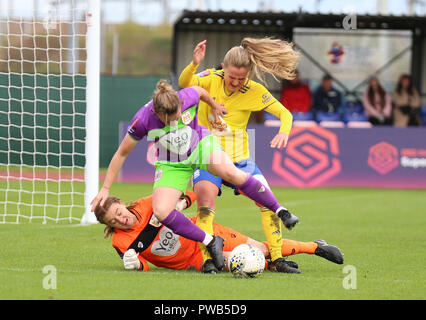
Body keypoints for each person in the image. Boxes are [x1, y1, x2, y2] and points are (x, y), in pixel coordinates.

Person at [91, 80, 298, 273]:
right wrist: (106, 188)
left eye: (179, 115)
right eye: (170, 119)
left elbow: (200, 92)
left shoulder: (186, 96)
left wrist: (214, 105)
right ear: (157, 112)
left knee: (231, 172)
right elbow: (121, 153)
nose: (177, 120)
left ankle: (281, 210)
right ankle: (210, 240)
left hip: (200, 145)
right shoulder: (143, 119)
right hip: (172, 163)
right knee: (162, 211)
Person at [178, 37, 301, 274]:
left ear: (248, 75)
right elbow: (185, 83)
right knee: (205, 205)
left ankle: (276, 259)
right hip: (207, 159)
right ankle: (208, 260)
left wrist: (284, 132)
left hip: (241, 161)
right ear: (223, 67)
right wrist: (194, 64)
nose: (235, 82)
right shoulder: (209, 79)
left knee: (268, 204)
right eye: (231, 77)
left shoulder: (254, 91)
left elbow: (285, 114)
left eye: (241, 79)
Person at [93, 191, 344, 273]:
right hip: (193, 261)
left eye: (118, 211)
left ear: (121, 204)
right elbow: (145, 266)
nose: (121, 219)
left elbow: (191, 194)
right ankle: (274, 265)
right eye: (114, 220)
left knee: (263, 250)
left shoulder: (149, 203)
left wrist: (179, 204)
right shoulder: (121, 242)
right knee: (246, 264)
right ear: (110, 226)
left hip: (207, 233)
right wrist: (135, 265)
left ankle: (315, 246)